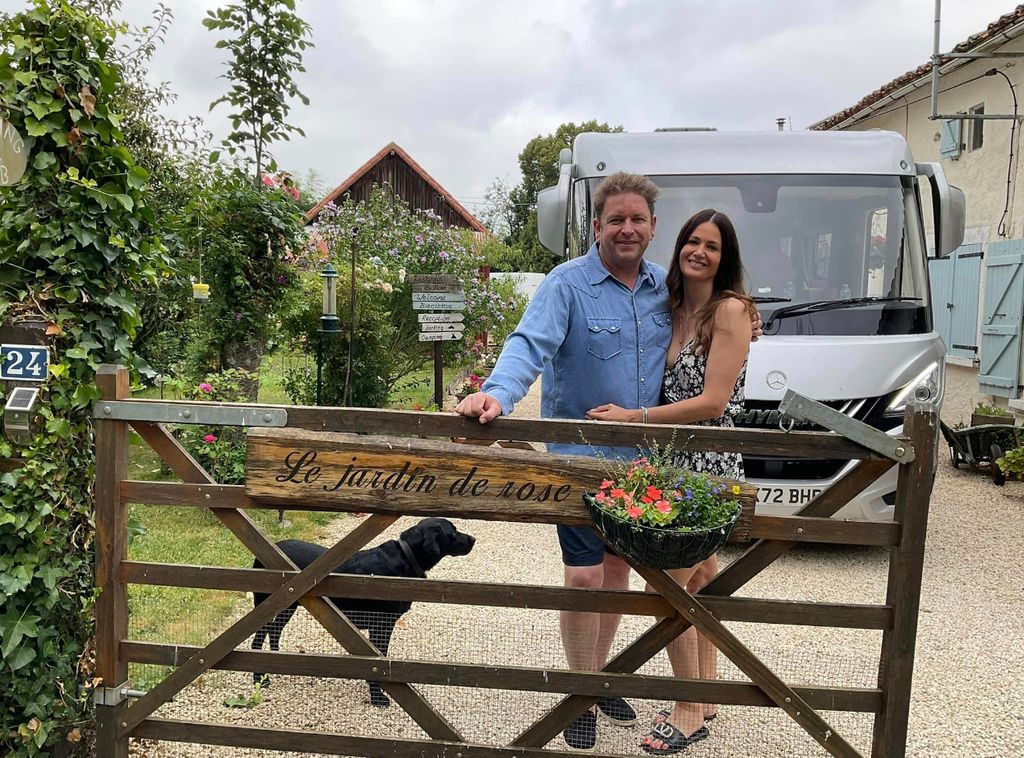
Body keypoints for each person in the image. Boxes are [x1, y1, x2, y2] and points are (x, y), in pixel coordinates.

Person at [456, 172, 761, 751]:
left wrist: (742, 313)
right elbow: (529, 344)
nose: (627, 228)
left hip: (647, 466)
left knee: (626, 574)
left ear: (652, 229)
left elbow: (714, 333)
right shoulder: (566, 284)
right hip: (581, 461)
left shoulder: (662, 289)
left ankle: (603, 679)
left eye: (637, 220)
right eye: (615, 219)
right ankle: (581, 693)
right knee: (584, 574)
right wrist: (497, 393)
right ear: (597, 226)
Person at [586, 209, 755, 755]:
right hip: (674, 462)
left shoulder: (730, 311)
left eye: (711, 245)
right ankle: (704, 698)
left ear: (724, 257)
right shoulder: (675, 307)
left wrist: (633, 418)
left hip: (707, 466)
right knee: (699, 581)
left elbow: (713, 402)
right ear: (678, 246)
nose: (698, 252)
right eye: (691, 241)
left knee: (672, 589)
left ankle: (685, 709)